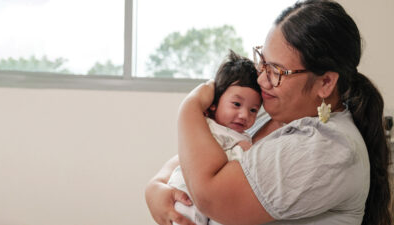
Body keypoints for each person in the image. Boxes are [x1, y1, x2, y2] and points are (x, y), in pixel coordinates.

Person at [145, 0, 392, 224]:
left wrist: (190, 106)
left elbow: (211, 197)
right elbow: (195, 156)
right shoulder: (268, 113)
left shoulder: (328, 147)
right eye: (263, 62)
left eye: (277, 71)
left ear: (325, 83)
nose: (262, 79)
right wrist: (156, 186)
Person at [168, 50, 262, 225]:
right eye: (236, 104)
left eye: (253, 110)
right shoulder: (204, 125)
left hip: (219, 199)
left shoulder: (246, 138)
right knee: (184, 217)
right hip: (186, 191)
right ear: (213, 104)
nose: (243, 115)